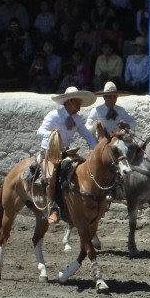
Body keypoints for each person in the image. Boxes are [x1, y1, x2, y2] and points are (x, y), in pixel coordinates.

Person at [36, 86, 98, 224]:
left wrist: (96, 148)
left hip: (65, 151)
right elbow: (39, 131)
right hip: (49, 151)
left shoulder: (77, 119)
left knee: (81, 169)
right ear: (69, 102)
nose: (79, 106)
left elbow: (86, 134)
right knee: (51, 178)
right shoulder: (54, 115)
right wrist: (52, 133)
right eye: (77, 103)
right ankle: (50, 207)